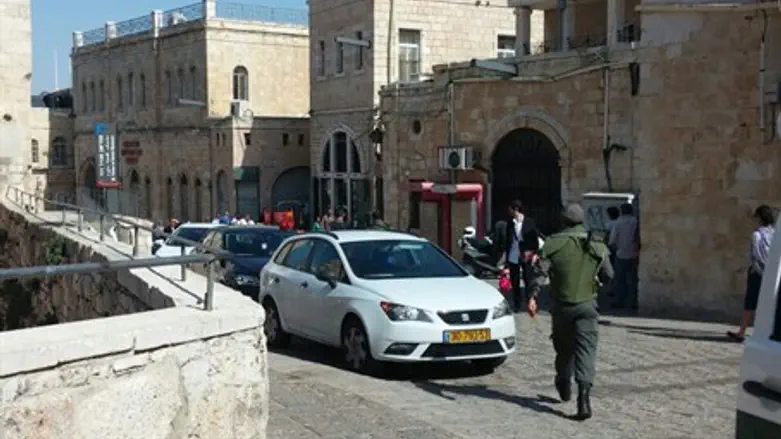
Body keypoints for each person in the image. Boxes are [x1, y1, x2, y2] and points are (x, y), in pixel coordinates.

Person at [527, 204, 613, 421]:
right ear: (583, 221)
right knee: (586, 349)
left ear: (563, 221)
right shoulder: (596, 244)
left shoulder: (553, 244)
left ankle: (564, 381)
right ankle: (583, 397)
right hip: (587, 304)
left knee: (563, 347)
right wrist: (597, 283)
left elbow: (539, 273)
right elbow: (609, 274)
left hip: (562, 306)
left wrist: (533, 296)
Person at [728, 205, 776, 342]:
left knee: (750, 302)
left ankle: (742, 332)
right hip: (771, 272)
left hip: (757, 272)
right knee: (769, 302)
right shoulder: (774, 233)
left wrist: (759, 271)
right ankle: (766, 333)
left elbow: (757, 256)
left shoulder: (757, 234)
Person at [503, 200, 540, 312]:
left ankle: (530, 301)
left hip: (526, 254)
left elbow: (534, 239)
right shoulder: (510, 223)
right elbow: (508, 240)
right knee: (515, 281)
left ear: (516, 209)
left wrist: (534, 253)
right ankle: (517, 303)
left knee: (528, 278)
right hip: (513, 254)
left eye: (510, 209)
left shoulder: (529, 222)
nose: (509, 212)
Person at [608, 203, 640, 313]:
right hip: (634, 254)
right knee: (633, 280)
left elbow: (612, 240)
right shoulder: (635, 221)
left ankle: (620, 301)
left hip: (621, 254)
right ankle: (633, 302)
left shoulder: (618, 223)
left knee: (620, 279)